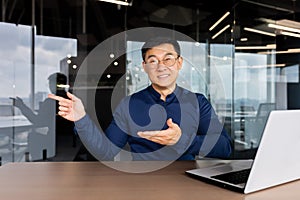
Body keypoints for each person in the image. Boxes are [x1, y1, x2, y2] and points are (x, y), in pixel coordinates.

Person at [49, 37, 232, 161]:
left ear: (179, 63)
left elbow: (225, 149)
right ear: (145, 66)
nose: (161, 67)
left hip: (188, 183)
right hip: (142, 183)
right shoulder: (129, 105)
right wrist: (81, 119)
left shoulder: (198, 102)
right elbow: (106, 152)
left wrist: (182, 140)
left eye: (168, 59)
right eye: (153, 60)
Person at [11, 72, 76, 160]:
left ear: (55, 84)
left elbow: (37, 121)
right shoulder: (72, 100)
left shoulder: (50, 102)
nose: (49, 87)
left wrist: (22, 106)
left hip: (54, 141)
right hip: (69, 141)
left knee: (33, 136)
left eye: (50, 84)